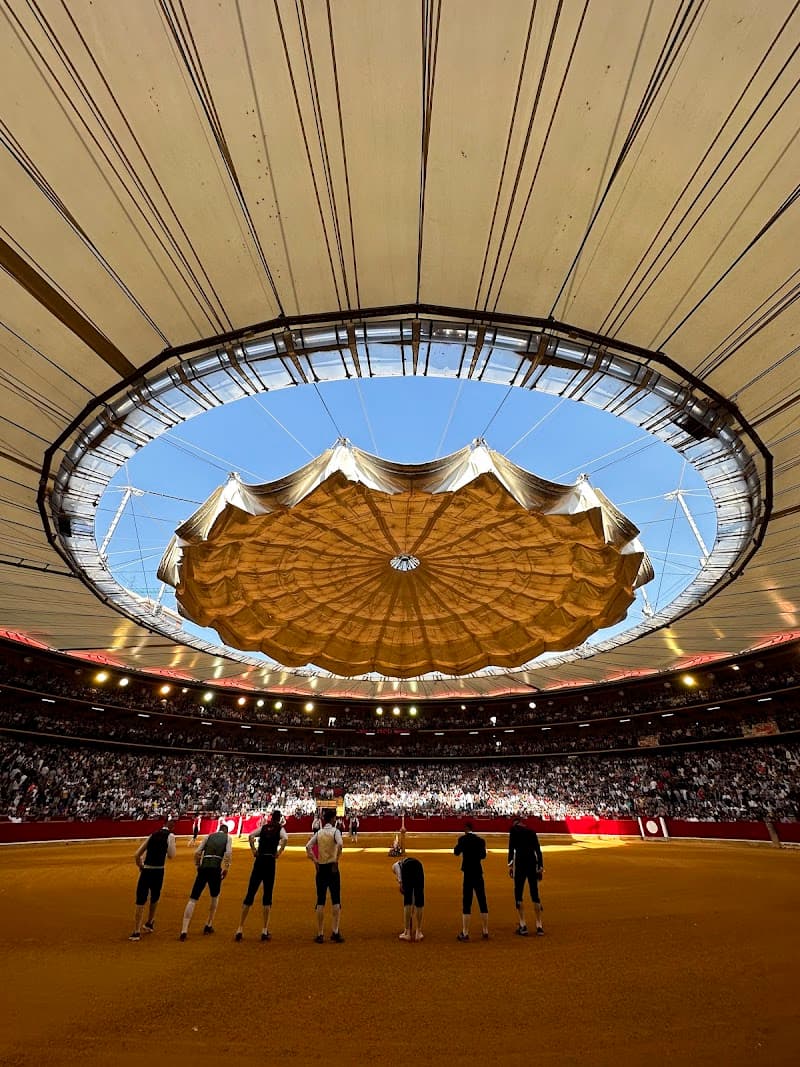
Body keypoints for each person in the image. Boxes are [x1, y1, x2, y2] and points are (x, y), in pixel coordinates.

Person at [234, 810, 287, 942]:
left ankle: (240, 928)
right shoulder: (280, 829)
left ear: (271, 818)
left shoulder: (263, 828)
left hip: (259, 861)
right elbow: (285, 838)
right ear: (279, 819)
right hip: (270, 862)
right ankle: (264, 930)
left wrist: (254, 850)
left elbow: (251, 835)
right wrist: (279, 852)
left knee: (250, 893)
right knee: (267, 894)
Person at [179, 822, 232, 940]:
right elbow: (228, 853)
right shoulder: (227, 838)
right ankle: (208, 924)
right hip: (215, 870)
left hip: (204, 868)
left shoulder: (208, 836)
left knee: (193, 898)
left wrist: (198, 865)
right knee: (215, 896)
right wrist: (226, 868)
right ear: (226, 831)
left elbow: (197, 852)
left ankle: (184, 930)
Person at [129, 818, 176, 941]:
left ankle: (136, 931)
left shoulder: (152, 835)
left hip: (147, 870)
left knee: (141, 899)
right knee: (155, 896)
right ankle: (149, 922)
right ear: (172, 827)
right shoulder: (170, 836)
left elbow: (137, 855)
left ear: (163, 824)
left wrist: (141, 866)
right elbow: (171, 855)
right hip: (158, 871)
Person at [305, 808, 344, 943]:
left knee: (320, 900)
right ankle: (335, 931)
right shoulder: (335, 832)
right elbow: (340, 844)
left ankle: (320, 933)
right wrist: (336, 859)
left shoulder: (320, 833)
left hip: (321, 868)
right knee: (336, 900)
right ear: (332, 819)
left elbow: (308, 847)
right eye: (335, 818)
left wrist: (315, 861)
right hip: (332, 868)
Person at [507, 814, 544, 936]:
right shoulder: (532, 832)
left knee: (518, 892)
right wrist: (540, 867)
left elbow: (511, 849)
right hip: (532, 862)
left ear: (515, 824)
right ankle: (539, 925)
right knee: (534, 893)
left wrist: (510, 866)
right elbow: (538, 850)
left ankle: (523, 925)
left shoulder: (514, 830)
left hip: (521, 863)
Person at [454, 820, 489, 941]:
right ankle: (485, 930)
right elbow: (483, 856)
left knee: (467, 901)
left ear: (465, 829)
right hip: (478, 872)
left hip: (468, 873)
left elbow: (456, 852)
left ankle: (465, 932)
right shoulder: (480, 841)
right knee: (482, 900)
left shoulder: (463, 839)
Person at [392, 854, 425, 941]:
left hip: (408, 868)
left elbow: (400, 879)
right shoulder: (414, 861)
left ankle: (407, 932)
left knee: (408, 900)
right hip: (419, 867)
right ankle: (418, 931)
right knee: (419, 899)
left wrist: (401, 884)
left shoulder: (395, 866)